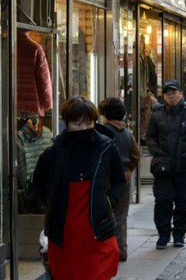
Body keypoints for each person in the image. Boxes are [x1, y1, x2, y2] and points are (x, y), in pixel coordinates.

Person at [33, 96, 126, 280]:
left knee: (99, 273)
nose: (83, 129)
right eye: (77, 124)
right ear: (66, 123)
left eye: (88, 123)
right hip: (64, 234)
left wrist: (108, 201)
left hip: (98, 230)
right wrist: (52, 204)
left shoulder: (106, 148)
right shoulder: (53, 153)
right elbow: (39, 182)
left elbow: (119, 181)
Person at [146, 80, 186, 249]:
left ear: (181, 93)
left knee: (184, 202)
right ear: (163, 96)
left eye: (174, 93)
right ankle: (163, 235)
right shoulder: (157, 114)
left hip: (184, 167)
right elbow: (150, 137)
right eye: (167, 94)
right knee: (162, 201)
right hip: (163, 167)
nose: (171, 96)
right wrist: (157, 152)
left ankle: (179, 234)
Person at [98, 97, 141, 262]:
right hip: (124, 178)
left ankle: (110, 251)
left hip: (107, 179)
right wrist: (129, 169)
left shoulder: (102, 131)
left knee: (107, 215)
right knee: (121, 215)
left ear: (106, 115)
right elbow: (136, 155)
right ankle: (121, 250)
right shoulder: (127, 133)